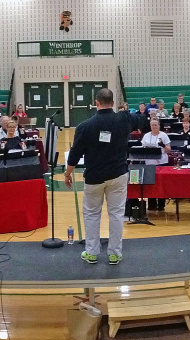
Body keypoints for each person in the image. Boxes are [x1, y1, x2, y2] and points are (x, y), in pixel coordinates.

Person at [64, 88, 147, 265]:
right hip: (118, 175)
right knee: (116, 214)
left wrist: (68, 173)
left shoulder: (85, 126)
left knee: (92, 214)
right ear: (113, 102)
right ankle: (115, 253)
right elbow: (142, 120)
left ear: (97, 103)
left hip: (94, 177)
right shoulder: (124, 118)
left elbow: (74, 154)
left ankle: (92, 252)